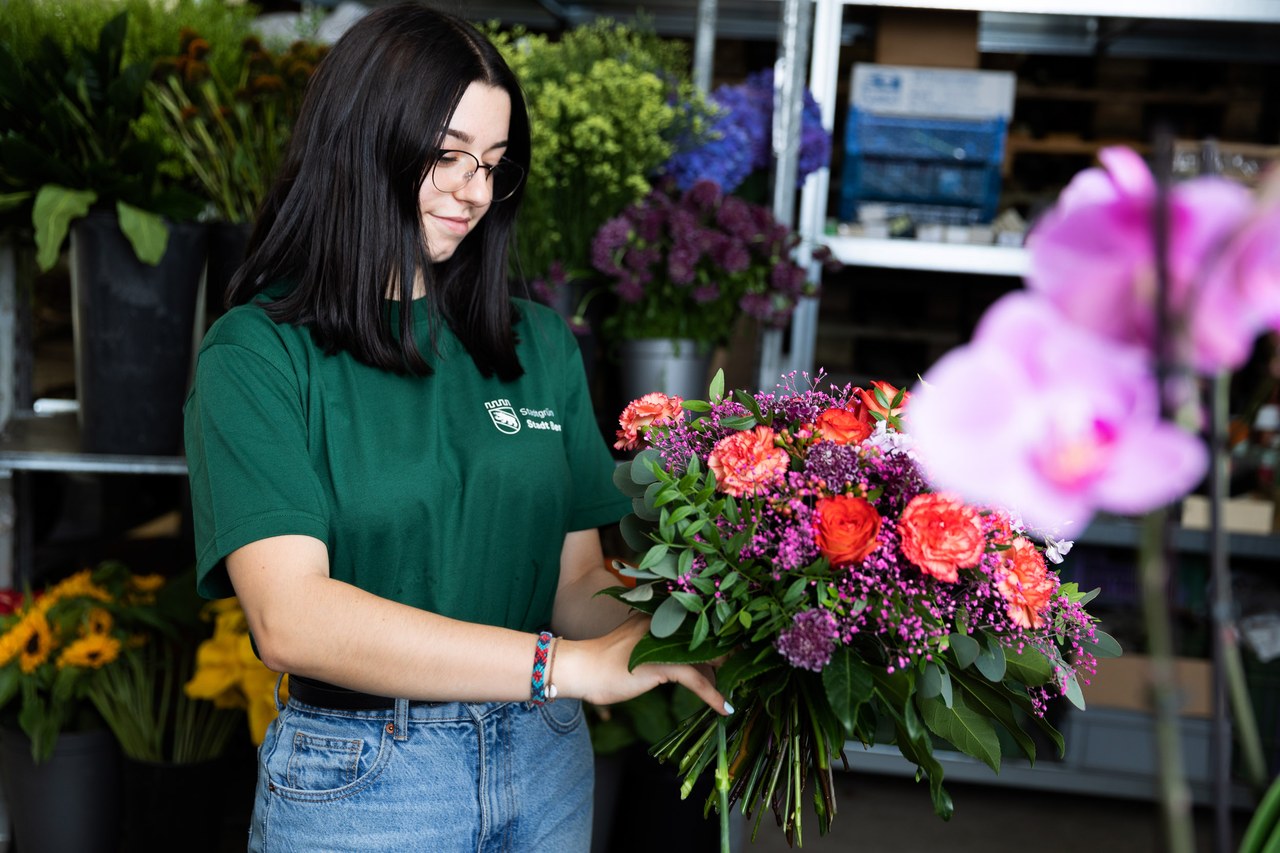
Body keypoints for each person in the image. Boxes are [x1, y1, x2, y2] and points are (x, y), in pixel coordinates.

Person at [182, 5, 730, 851]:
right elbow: (291, 618)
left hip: (544, 761)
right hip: (363, 779)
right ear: (363, 143)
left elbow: (575, 583)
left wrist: (716, 612)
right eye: (446, 157)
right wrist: (566, 667)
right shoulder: (257, 356)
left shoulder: (536, 343)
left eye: (493, 165)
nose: (474, 191)